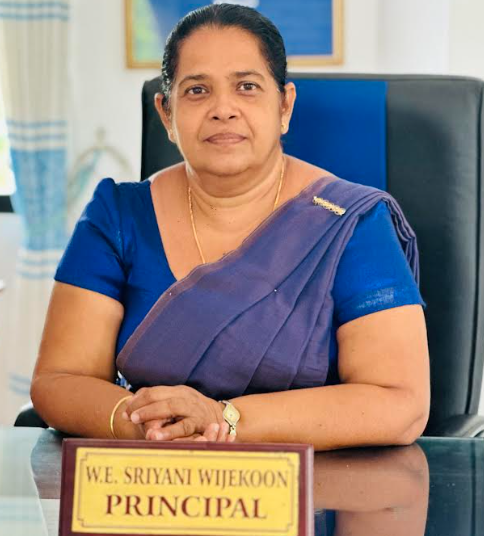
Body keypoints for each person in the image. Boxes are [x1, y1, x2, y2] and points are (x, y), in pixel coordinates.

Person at [31, 3, 430, 450]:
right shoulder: (118, 215)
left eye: (247, 86)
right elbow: (59, 379)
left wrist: (222, 421)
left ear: (284, 106)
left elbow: (400, 403)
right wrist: (153, 427)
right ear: (166, 113)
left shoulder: (349, 223)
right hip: (154, 476)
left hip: (315, 483)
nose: (223, 109)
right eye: (197, 90)